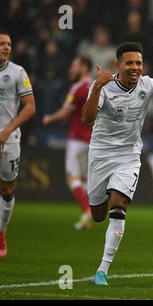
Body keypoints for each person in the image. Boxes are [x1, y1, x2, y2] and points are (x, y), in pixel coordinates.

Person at [82, 42, 153, 286]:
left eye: (138, 62)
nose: (135, 67)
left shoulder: (148, 85)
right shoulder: (103, 86)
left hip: (128, 155)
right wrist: (97, 88)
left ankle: (102, 270)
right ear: (118, 65)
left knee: (119, 205)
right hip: (100, 155)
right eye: (129, 63)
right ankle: (100, 208)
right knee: (97, 215)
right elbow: (87, 118)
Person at [0, 29, 36, 260]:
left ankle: (1, 231)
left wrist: (7, 130)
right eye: (1, 44)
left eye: (9, 44)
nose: (6, 47)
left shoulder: (18, 72)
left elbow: (30, 106)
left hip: (9, 138)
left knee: (7, 189)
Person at [43, 56, 94, 230]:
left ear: (85, 67)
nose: (71, 69)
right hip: (92, 139)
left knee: (72, 177)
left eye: (74, 66)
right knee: (84, 179)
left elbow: (65, 113)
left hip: (77, 138)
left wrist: (50, 118)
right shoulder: (96, 86)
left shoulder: (78, 88)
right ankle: (89, 218)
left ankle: (87, 210)